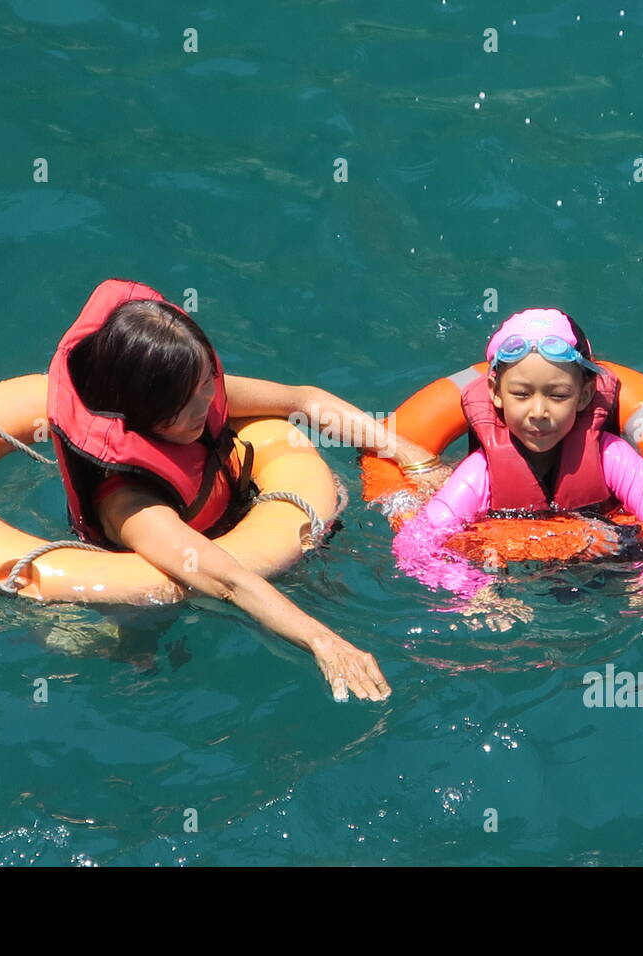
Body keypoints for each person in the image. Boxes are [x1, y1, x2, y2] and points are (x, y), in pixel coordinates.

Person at [48, 278, 440, 702]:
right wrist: (324, 643)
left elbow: (303, 400)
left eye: (206, 384)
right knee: (140, 657)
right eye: (182, 401)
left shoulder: (195, 393)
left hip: (240, 532)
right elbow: (229, 582)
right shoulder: (126, 499)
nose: (204, 407)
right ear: (140, 406)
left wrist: (412, 455)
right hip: (170, 597)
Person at [391, 308, 643, 628]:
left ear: (585, 395)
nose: (539, 412)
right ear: (495, 393)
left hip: (608, 562)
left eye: (558, 395)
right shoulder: (481, 471)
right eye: (521, 394)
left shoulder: (611, 456)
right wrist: (472, 590)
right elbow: (415, 546)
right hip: (515, 576)